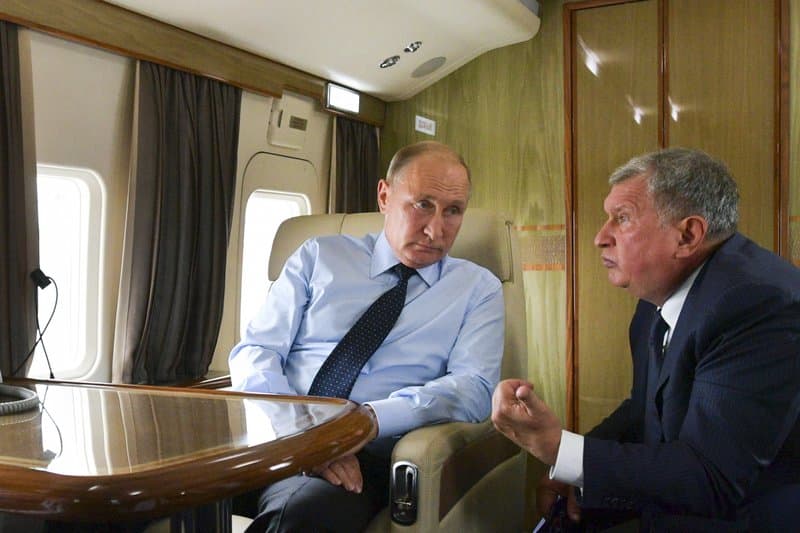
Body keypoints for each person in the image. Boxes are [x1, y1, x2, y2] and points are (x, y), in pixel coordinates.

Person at [492, 148, 800, 531]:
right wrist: (571, 470)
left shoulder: (758, 305)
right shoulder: (656, 299)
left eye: (622, 219)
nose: (600, 237)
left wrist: (559, 448)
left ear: (687, 235)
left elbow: (712, 478)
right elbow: (645, 412)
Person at [229, 141, 505, 532]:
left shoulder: (478, 289)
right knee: (148, 496)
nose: (435, 229)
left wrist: (366, 421)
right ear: (384, 196)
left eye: (453, 211)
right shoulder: (318, 257)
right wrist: (303, 434)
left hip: (365, 454)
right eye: (423, 204)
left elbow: (474, 387)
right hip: (274, 430)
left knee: (299, 517)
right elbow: (256, 350)